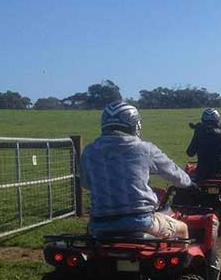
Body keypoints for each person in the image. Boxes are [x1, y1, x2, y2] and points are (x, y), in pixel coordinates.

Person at [81, 101, 194, 239]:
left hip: (99, 224)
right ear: (134, 123)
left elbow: (86, 183)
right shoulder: (145, 149)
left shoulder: (89, 151)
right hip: (140, 222)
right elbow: (176, 176)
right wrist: (190, 184)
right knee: (183, 228)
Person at [186, 108, 221, 178]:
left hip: (202, 172)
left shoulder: (198, 136)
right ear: (217, 121)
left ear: (203, 121)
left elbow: (190, 152)